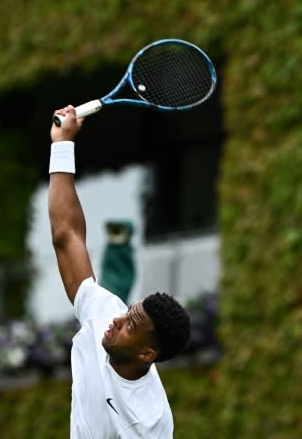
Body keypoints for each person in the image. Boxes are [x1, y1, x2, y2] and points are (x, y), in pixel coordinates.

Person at [48, 105, 191, 438]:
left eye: (131, 324)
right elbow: (66, 236)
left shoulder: (151, 422)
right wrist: (62, 145)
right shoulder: (105, 316)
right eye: (129, 312)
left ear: (146, 353)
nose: (117, 319)